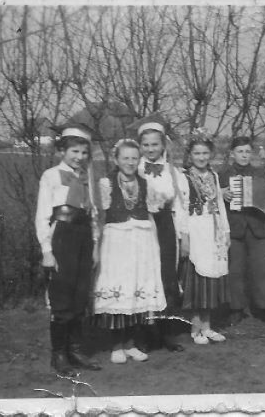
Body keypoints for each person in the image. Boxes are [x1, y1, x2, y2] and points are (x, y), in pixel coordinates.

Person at [35, 124, 103, 376]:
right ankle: (59, 355)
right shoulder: (51, 176)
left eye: (84, 153)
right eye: (74, 151)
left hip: (84, 238)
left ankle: (75, 350)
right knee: (62, 298)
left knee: (79, 295)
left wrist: (95, 244)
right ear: (63, 150)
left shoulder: (87, 177)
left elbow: (93, 213)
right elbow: (42, 215)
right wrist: (47, 250)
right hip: (61, 238)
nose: (79, 157)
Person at [91, 139, 167, 364]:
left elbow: (152, 213)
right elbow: (99, 216)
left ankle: (132, 343)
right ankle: (116, 345)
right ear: (116, 159)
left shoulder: (145, 184)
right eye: (125, 158)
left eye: (134, 158)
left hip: (141, 242)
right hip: (117, 243)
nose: (130, 162)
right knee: (119, 289)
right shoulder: (106, 183)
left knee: (137, 289)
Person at [220, 136, 265, 327]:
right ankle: (236, 308)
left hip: (257, 226)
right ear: (232, 154)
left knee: (262, 270)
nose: (244, 155)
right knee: (235, 270)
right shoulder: (223, 175)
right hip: (235, 227)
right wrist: (222, 194)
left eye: (247, 151)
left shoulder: (260, 173)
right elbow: (213, 196)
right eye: (240, 151)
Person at [177, 130, 230, 344]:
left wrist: (225, 231)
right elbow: (181, 209)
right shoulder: (183, 177)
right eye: (197, 153)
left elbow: (219, 206)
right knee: (198, 282)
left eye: (205, 153)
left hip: (213, 230)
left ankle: (207, 326)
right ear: (190, 155)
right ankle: (195, 327)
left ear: (211, 154)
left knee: (211, 280)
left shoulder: (214, 176)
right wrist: (185, 237)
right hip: (196, 229)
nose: (201, 157)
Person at [137, 121, 185, 352]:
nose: (150, 149)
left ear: (163, 145)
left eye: (154, 144)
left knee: (167, 276)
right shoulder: (134, 168)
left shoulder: (172, 172)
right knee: (146, 277)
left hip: (166, 225)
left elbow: (180, 206)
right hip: (143, 226)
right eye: (145, 145)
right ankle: (146, 333)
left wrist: (183, 236)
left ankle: (167, 333)